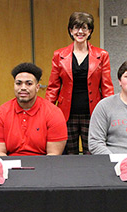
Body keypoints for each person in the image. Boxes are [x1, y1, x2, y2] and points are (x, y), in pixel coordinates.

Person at [45, 12, 114, 155]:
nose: (80, 32)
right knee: (69, 153)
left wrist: (110, 112)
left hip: (93, 112)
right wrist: (48, 112)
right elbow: (53, 87)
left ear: (90, 31)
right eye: (76, 28)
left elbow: (107, 86)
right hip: (66, 113)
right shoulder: (59, 55)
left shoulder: (102, 55)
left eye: (85, 28)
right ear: (70, 30)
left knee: (93, 152)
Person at [0, 63, 67, 156]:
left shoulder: (54, 113)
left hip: (43, 165)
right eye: (18, 83)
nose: (23, 88)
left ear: (37, 87)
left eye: (29, 84)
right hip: (11, 165)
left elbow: (53, 154)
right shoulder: (0, 113)